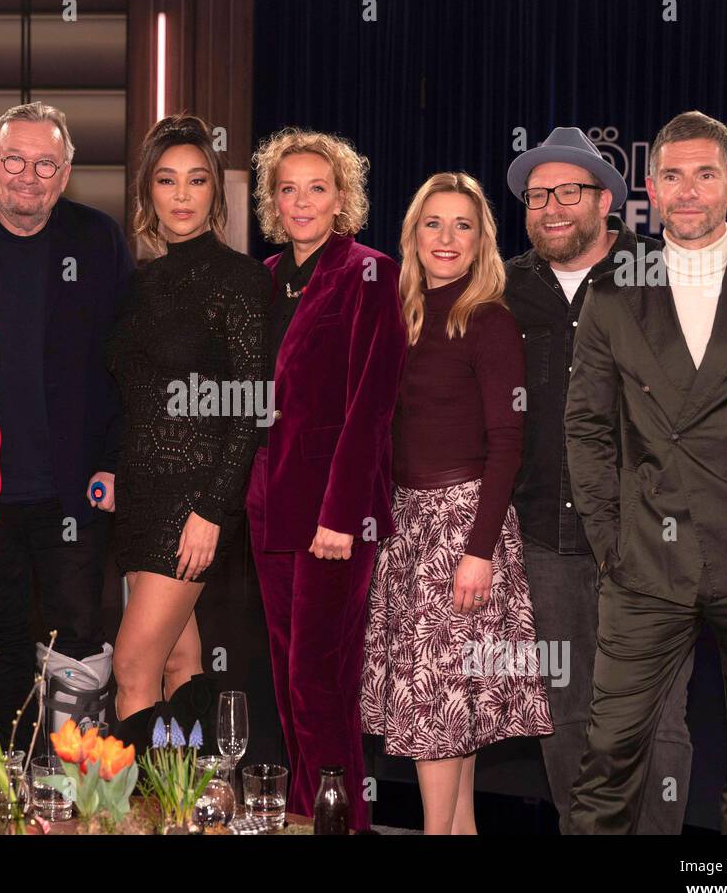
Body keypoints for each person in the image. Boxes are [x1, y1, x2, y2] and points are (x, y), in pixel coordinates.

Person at [503, 126, 727, 833]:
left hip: (657, 541)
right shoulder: (501, 286)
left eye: (569, 191)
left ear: (610, 199)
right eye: (537, 194)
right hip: (546, 535)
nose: (552, 206)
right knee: (566, 714)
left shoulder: (661, 269)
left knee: (664, 721)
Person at [361, 172, 553, 835]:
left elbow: (508, 444)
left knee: (436, 717)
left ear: (481, 241)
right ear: (413, 234)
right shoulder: (402, 311)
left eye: (462, 225)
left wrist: (477, 552)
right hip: (406, 526)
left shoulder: (488, 319)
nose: (447, 238)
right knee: (452, 718)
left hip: (462, 529)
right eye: (433, 223)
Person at [0, 102, 133, 735]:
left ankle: (73, 785)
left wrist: (111, 461)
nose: (29, 174)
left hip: (73, 487)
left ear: (67, 170)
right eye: (15, 160)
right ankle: (3, 783)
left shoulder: (98, 238)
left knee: (76, 635)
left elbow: (123, 365)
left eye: (45, 162)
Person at [245, 128, 406, 832]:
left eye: (318, 187)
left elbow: (372, 404)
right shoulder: (268, 277)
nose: (301, 201)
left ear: (343, 198)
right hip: (270, 504)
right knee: (288, 680)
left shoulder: (371, 271)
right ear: (271, 202)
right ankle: (307, 815)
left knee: (321, 679)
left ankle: (343, 823)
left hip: (334, 515)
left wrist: (340, 516)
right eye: (288, 189)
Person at [104, 114, 268, 751]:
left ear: (214, 195)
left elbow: (252, 405)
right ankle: (192, 808)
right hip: (139, 502)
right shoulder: (141, 283)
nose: (180, 195)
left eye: (196, 180)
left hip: (193, 501)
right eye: (166, 180)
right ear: (148, 191)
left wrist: (212, 509)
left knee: (131, 669)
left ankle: (136, 820)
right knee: (176, 664)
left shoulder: (239, 280)